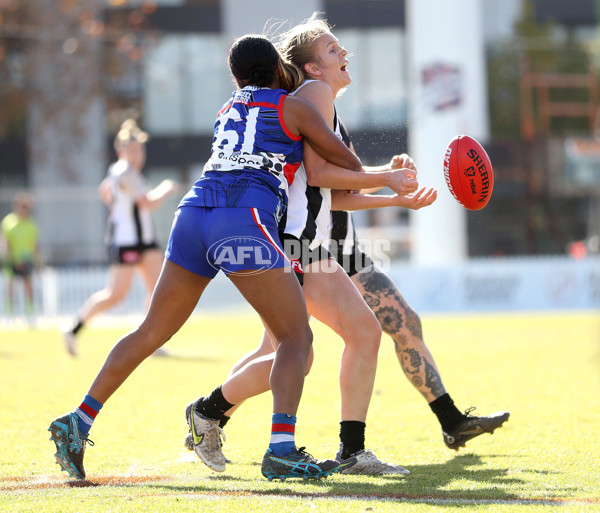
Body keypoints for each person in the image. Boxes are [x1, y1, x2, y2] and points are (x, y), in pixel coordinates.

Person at [48, 34, 412, 482]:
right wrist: (375, 169)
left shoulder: (228, 108)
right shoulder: (292, 105)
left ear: (236, 76)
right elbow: (346, 165)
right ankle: (280, 449)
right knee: (296, 340)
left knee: (150, 330)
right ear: (279, 68)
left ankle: (79, 419)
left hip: (194, 213)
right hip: (243, 217)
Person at [184, 14, 509, 474]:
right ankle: (226, 417)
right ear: (313, 68)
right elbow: (320, 176)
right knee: (314, 347)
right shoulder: (314, 95)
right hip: (296, 243)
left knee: (314, 345)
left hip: (305, 242)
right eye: (333, 50)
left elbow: (330, 193)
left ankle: (223, 416)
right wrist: (386, 178)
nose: (344, 54)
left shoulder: (318, 100)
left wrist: (393, 193)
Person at [62, 119, 179, 357]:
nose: (138, 154)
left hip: (144, 241)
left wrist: (118, 209)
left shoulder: (120, 172)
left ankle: (152, 342)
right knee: (115, 294)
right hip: (128, 242)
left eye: (141, 149)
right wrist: (166, 188)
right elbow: (149, 202)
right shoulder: (125, 171)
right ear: (121, 151)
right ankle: (72, 329)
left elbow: (105, 191)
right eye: (133, 149)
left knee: (158, 289)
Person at [1, 192, 40, 326]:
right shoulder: (9, 222)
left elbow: (34, 245)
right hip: (12, 259)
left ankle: (30, 314)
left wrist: (34, 260)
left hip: (26, 260)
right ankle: (9, 314)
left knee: (28, 287)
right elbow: (5, 242)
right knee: (10, 286)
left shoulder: (31, 225)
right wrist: (8, 257)